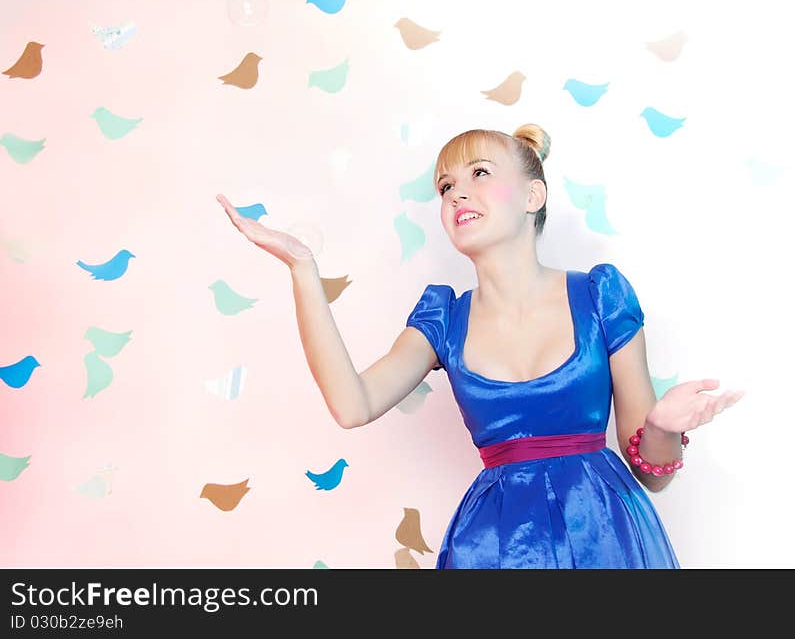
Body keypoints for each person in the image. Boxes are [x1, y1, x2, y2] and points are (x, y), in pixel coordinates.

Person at [215, 123, 746, 569]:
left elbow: (651, 478)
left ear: (533, 196)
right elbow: (352, 405)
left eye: (480, 174)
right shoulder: (444, 318)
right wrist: (303, 269)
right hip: (494, 546)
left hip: (604, 536)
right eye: (445, 186)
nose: (456, 194)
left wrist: (660, 428)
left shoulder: (600, 295)